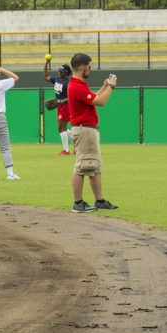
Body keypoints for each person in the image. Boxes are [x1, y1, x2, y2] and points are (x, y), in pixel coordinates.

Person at [66, 53, 119, 214]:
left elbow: (93, 98)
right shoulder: (77, 86)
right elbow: (101, 102)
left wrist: (104, 87)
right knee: (82, 166)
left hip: (86, 129)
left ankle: (99, 200)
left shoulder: (78, 84)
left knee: (94, 165)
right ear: (82, 67)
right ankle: (78, 202)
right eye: (89, 66)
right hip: (84, 129)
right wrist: (111, 86)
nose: (90, 69)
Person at [43, 58, 73, 156]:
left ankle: (66, 150)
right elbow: (45, 77)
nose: (59, 72)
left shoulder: (68, 82)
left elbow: (71, 96)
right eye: (59, 70)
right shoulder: (57, 79)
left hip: (65, 105)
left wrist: (61, 101)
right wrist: (46, 63)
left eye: (62, 71)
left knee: (61, 128)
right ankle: (77, 144)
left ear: (66, 73)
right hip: (59, 106)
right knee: (63, 128)